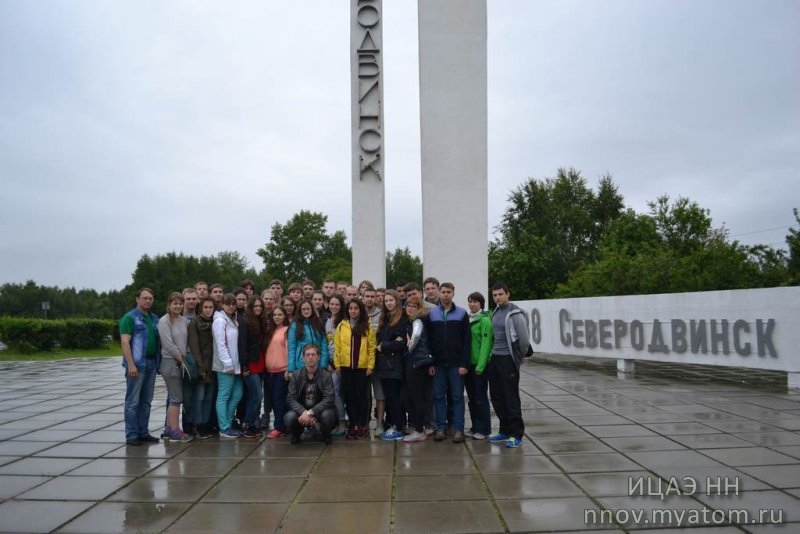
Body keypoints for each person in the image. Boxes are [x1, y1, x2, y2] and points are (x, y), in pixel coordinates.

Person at [425, 282, 470, 443]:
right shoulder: (432, 314)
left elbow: (467, 341)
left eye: (448, 292)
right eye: (443, 292)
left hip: (456, 364)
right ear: (439, 293)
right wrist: (430, 362)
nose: (445, 294)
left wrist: (464, 363)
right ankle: (441, 428)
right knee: (438, 396)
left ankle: (458, 429)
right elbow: (428, 340)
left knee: (457, 397)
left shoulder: (462, 314)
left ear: (453, 293)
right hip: (437, 363)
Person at [488, 283, 530, 449]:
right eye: (495, 295)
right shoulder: (496, 312)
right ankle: (504, 430)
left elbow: (524, 341)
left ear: (508, 294)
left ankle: (516, 434)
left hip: (508, 360)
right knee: (497, 396)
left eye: (500, 294)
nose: (498, 297)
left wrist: (518, 358)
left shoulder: (515, 314)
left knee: (510, 398)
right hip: (495, 358)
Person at [120, 288, 161, 445]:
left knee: (146, 401)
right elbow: (125, 342)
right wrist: (131, 364)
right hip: (136, 366)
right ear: (137, 299)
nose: (148, 301)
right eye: (145, 298)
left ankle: (143, 432)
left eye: (150, 298)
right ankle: (131, 434)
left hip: (151, 364)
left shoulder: (154, 318)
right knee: (133, 402)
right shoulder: (129, 318)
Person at [334, 298, 376, 439]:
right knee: (349, 397)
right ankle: (353, 424)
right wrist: (338, 364)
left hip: (362, 368)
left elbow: (371, 347)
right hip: (346, 367)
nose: (353, 311)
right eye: (351, 308)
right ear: (347, 310)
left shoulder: (367, 326)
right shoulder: (341, 326)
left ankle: (362, 424)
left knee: (361, 397)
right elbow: (337, 348)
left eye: (356, 308)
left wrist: (370, 365)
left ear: (360, 310)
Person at [157, 292, 194, 442]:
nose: (177, 306)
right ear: (169, 305)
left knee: (176, 396)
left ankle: (168, 428)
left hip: (182, 362)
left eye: (180, 303)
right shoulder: (163, 321)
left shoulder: (184, 321)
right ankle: (174, 431)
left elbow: (187, 343)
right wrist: (182, 360)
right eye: (174, 303)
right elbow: (168, 345)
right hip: (170, 362)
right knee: (175, 398)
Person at [285, 344, 336, 445]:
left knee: (328, 415)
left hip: (320, 410)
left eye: (313, 354)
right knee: (289, 417)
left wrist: (311, 412)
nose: (310, 357)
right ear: (303, 358)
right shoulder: (296, 375)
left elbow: (329, 398)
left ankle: (325, 434)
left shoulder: (325, 375)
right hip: (302, 410)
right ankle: (297, 434)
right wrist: (303, 412)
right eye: (307, 355)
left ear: (318, 357)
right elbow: (290, 398)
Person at [375, 290, 409, 441]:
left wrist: (384, 345)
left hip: (394, 365)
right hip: (384, 365)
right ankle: (393, 425)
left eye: (391, 300)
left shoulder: (402, 318)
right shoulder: (386, 318)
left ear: (396, 301)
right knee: (389, 397)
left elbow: (401, 344)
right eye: (386, 301)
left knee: (395, 397)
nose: (388, 303)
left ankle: (398, 428)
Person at [212, 293, 243, 438]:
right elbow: (220, 344)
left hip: (235, 365)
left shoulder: (232, 320)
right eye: (228, 304)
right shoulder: (220, 320)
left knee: (237, 394)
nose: (231, 306)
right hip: (225, 366)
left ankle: (228, 422)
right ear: (222, 305)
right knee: (223, 396)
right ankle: (224, 427)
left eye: (233, 304)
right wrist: (228, 363)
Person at [403, 300, 434, 443]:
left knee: (417, 398)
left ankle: (419, 431)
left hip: (417, 363)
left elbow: (415, 338)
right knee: (416, 397)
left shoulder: (417, 321)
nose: (410, 308)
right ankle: (419, 429)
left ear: (419, 308)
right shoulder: (414, 321)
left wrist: (408, 350)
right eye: (408, 306)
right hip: (419, 362)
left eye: (413, 306)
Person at [466, 291, 493, 440]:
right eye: (470, 301)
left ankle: (484, 429)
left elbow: (486, 345)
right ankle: (475, 426)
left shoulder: (485, 321)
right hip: (469, 365)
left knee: (480, 398)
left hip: (479, 366)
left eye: (475, 301)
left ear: (481, 304)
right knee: (472, 398)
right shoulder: (468, 319)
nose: (472, 304)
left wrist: (480, 366)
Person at [188, 296, 216, 439]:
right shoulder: (194, 322)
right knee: (199, 397)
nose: (208, 310)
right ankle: (197, 424)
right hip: (202, 365)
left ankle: (205, 423)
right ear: (200, 308)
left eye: (210, 307)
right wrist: (200, 368)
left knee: (209, 398)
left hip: (214, 366)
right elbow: (194, 347)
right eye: (205, 307)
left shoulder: (215, 321)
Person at [240, 296, 266, 438]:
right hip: (250, 364)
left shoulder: (261, 321)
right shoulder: (245, 322)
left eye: (260, 306)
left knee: (253, 396)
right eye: (255, 306)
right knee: (257, 395)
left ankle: (254, 424)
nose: (258, 308)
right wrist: (244, 365)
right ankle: (247, 423)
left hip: (261, 363)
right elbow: (242, 345)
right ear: (250, 307)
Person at [264, 306, 290, 438]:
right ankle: (282, 425)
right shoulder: (271, 331)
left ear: (284, 316)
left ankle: (279, 427)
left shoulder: (286, 330)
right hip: (269, 371)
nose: (277, 317)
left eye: (280, 314)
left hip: (282, 371)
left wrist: (289, 369)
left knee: (279, 400)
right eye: (275, 315)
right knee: (273, 400)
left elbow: (289, 351)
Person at [324, 294, 347, 435]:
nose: (334, 307)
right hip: (330, 362)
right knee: (333, 392)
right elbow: (326, 343)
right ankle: (336, 421)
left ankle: (342, 421)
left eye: (337, 304)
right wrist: (328, 362)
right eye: (332, 304)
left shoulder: (344, 322)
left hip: (341, 362)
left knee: (337, 392)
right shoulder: (327, 321)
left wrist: (336, 363)